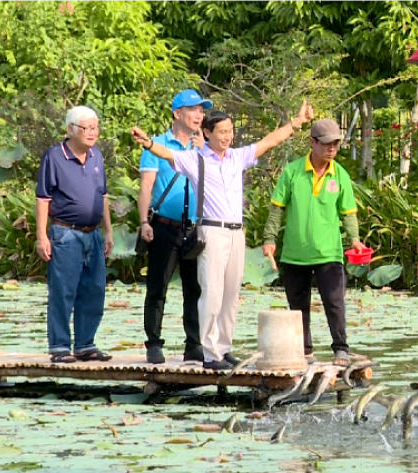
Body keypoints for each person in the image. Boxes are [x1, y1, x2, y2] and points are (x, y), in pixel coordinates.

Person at [130, 100, 314, 370]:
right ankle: (209, 352)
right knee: (212, 293)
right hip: (212, 231)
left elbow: (269, 142)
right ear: (207, 133)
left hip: (236, 233)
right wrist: (147, 143)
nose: (228, 136)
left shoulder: (237, 157)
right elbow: (167, 155)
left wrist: (296, 123)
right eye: (222, 132)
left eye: (230, 131)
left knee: (230, 295)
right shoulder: (196, 160)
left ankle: (224, 348)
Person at [261, 119, 366, 367]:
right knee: (298, 307)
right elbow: (277, 208)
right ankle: (305, 351)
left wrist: (355, 239)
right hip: (295, 253)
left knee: (335, 302)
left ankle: (340, 348)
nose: (332, 149)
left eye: (336, 144)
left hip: (329, 253)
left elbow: (348, 212)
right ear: (312, 142)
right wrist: (269, 239)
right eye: (327, 143)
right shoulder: (292, 172)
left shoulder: (339, 174)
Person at [35, 106, 114, 364]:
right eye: (87, 128)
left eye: (96, 127)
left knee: (94, 290)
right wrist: (42, 236)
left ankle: (85, 344)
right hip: (65, 233)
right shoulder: (54, 157)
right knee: (63, 291)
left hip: (93, 234)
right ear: (71, 130)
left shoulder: (96, 157)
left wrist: (109, 231)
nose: (93, 132)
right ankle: (59, 347)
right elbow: (43, 198)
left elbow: (103, 196)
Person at [138, 90, 210, 364]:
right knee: (158, 287)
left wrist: (204, 149)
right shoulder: (156, 145)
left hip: (194, 228)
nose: (198, 115)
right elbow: (146, 186)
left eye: (201, 111)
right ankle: (154, 343)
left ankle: (194, 344)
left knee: (195, 289)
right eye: (193, 109)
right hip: (164, 227)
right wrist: (144, 221)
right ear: (177, 113)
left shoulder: (203, 147)